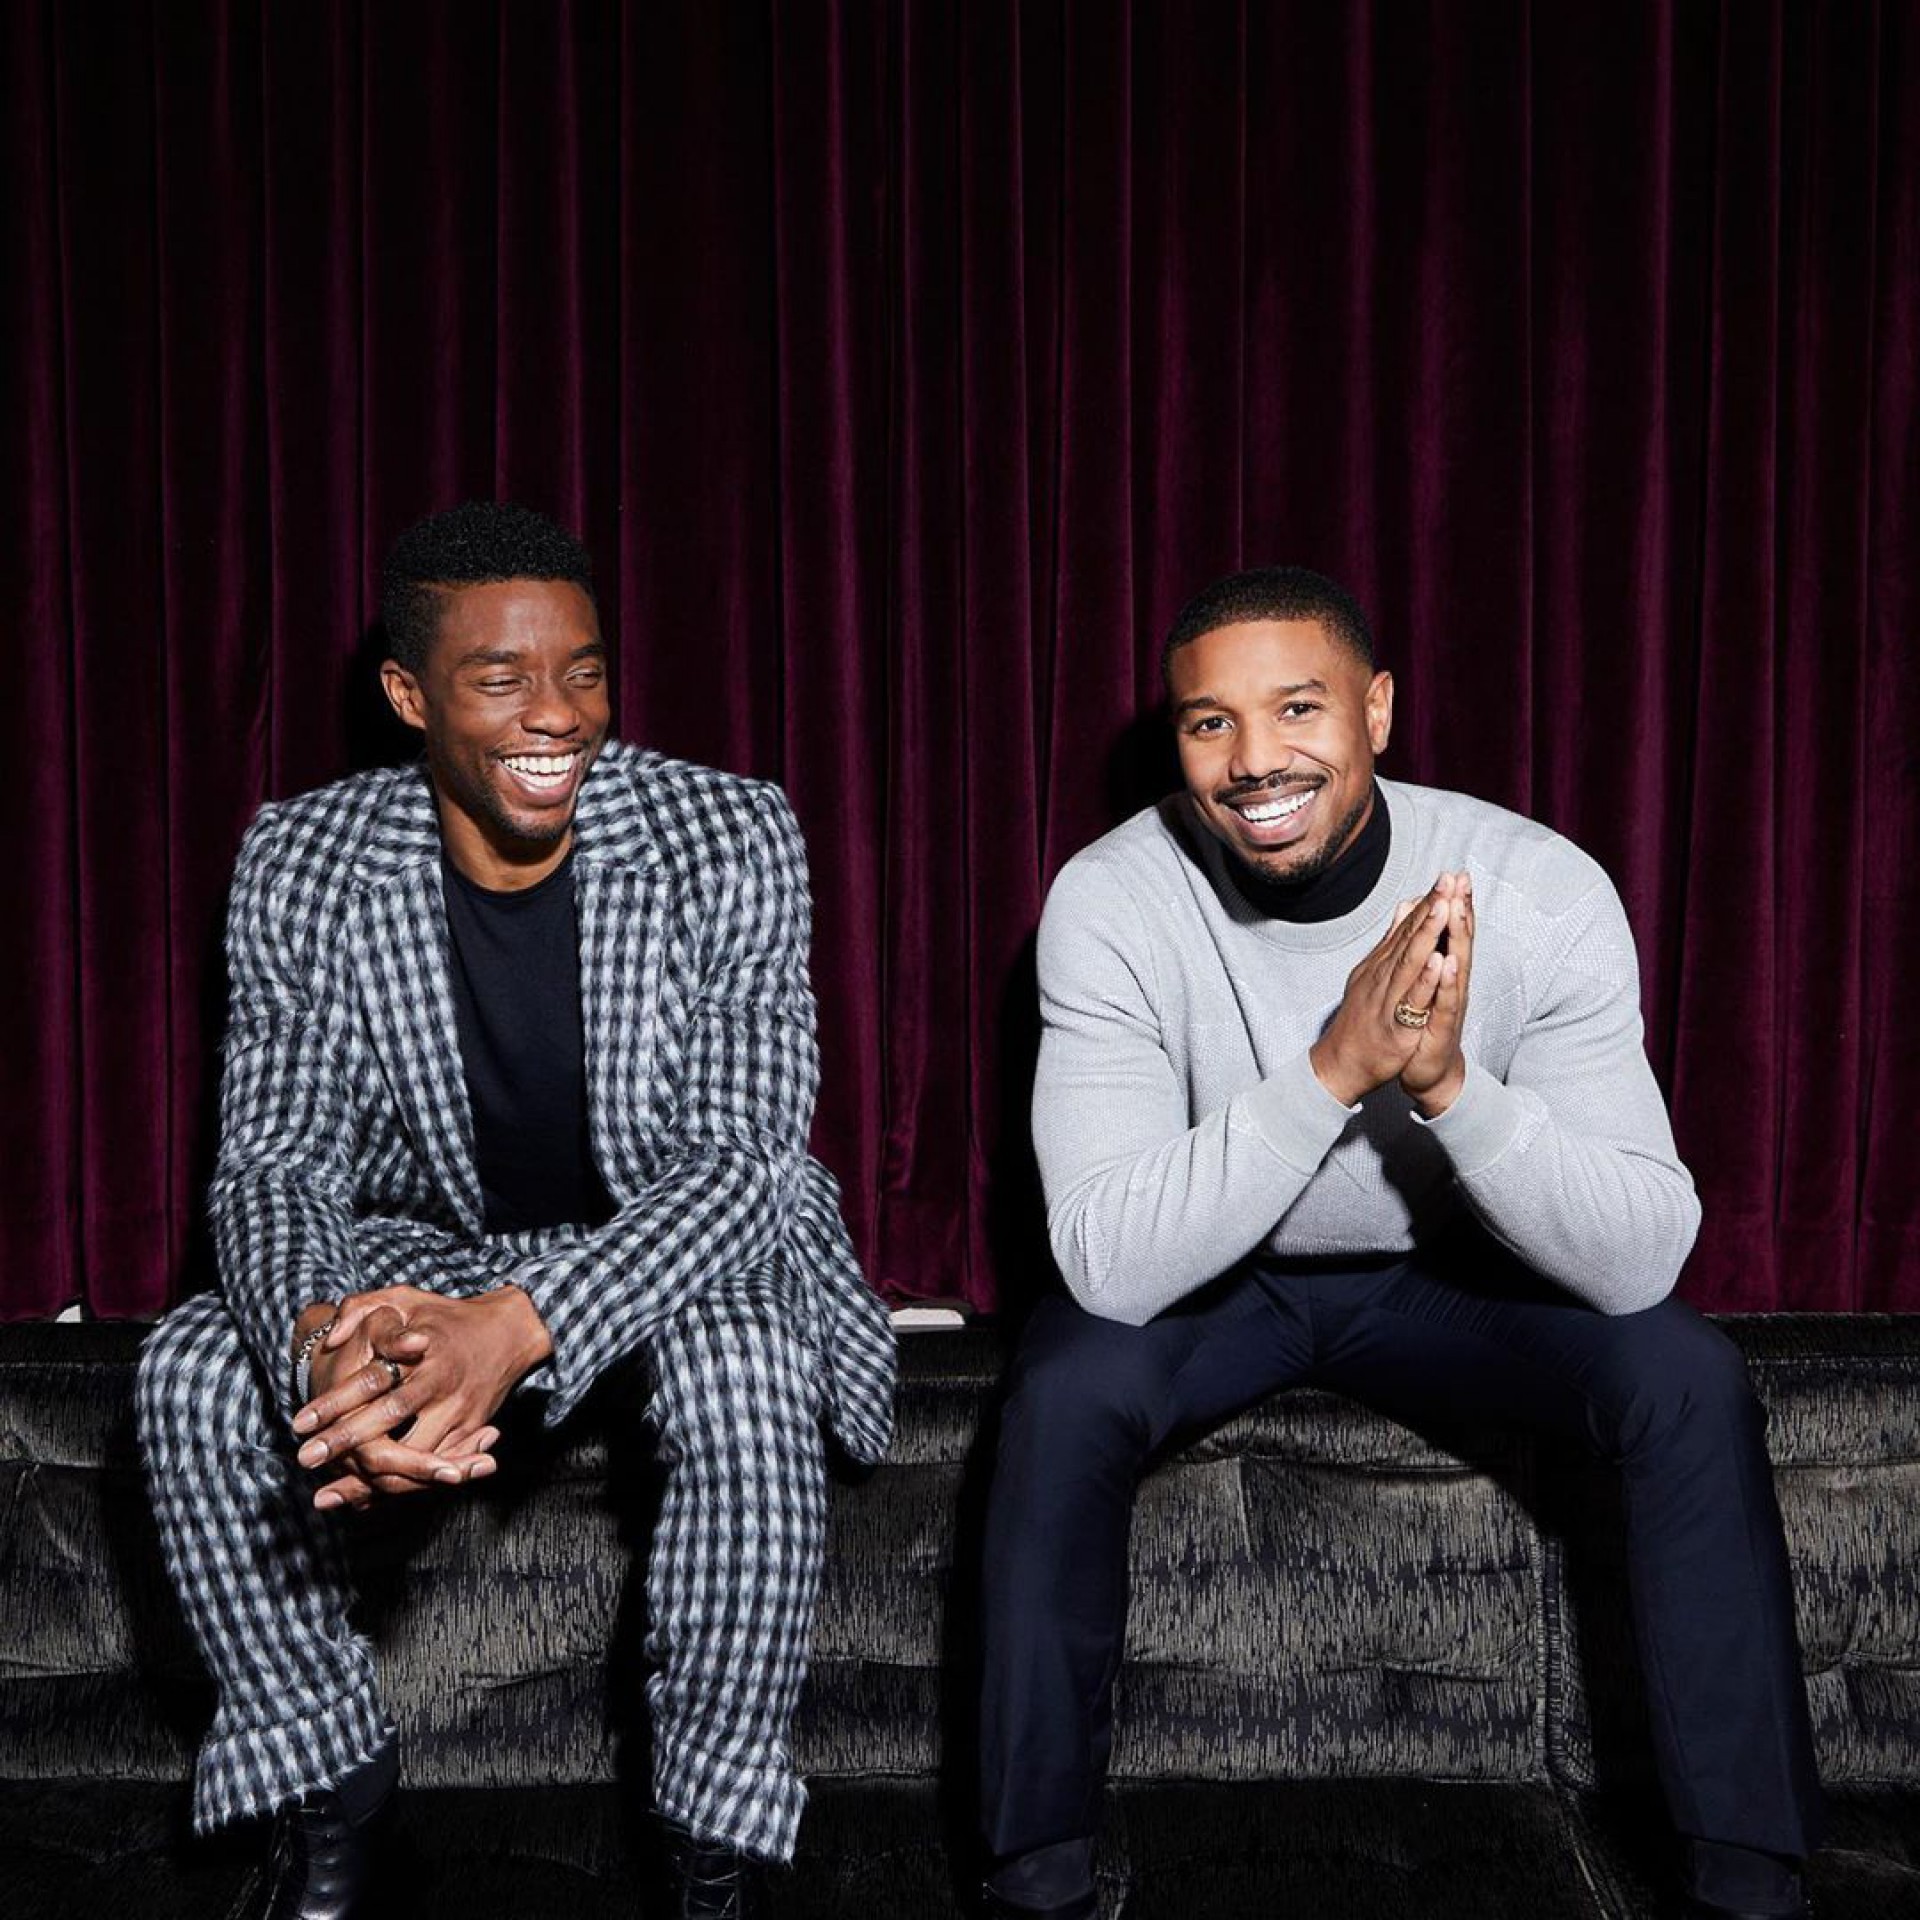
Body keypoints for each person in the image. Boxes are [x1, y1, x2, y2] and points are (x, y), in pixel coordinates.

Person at [977, 567, 1822, 1920]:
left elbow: (1638, 1258)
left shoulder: (1536, 887)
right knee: (1066, 1388)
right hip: (1216, 1276)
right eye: (1210, 723)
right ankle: (1037, 1877)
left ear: (1375, 711)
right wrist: (1333, 1071)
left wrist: (1447, 1088)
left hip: (1455, 1274)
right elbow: (1105, 1265)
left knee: (1685, 1377)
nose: (1256, 761)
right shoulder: (1113, 898)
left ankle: (1751, 1884)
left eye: (1298, 708)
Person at [136, 501, 895, 1920]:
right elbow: (278, 1161)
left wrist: (520, 1326)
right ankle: (329, 1789)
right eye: (501, 679)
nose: (559, 715)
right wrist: (326, 1345)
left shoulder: (730, 832)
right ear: (410, 695)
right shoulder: (304, 858)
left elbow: (743, 1162)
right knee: (187, 1368)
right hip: (421, 1242)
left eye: (584, 672)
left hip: (672, 1232)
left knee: (745, 1369)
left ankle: (712, 1836)